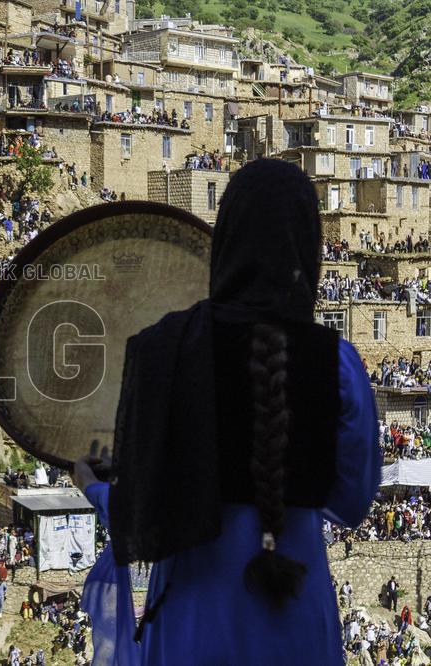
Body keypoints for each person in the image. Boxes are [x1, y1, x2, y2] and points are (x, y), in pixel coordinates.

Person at [75, 160, 381, 664]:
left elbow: (143, 513)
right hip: (298, 628)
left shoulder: (164, 349)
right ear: (308, 246)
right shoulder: (337, 363)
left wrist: (92, 485)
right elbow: (351, 503)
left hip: (192, 630)